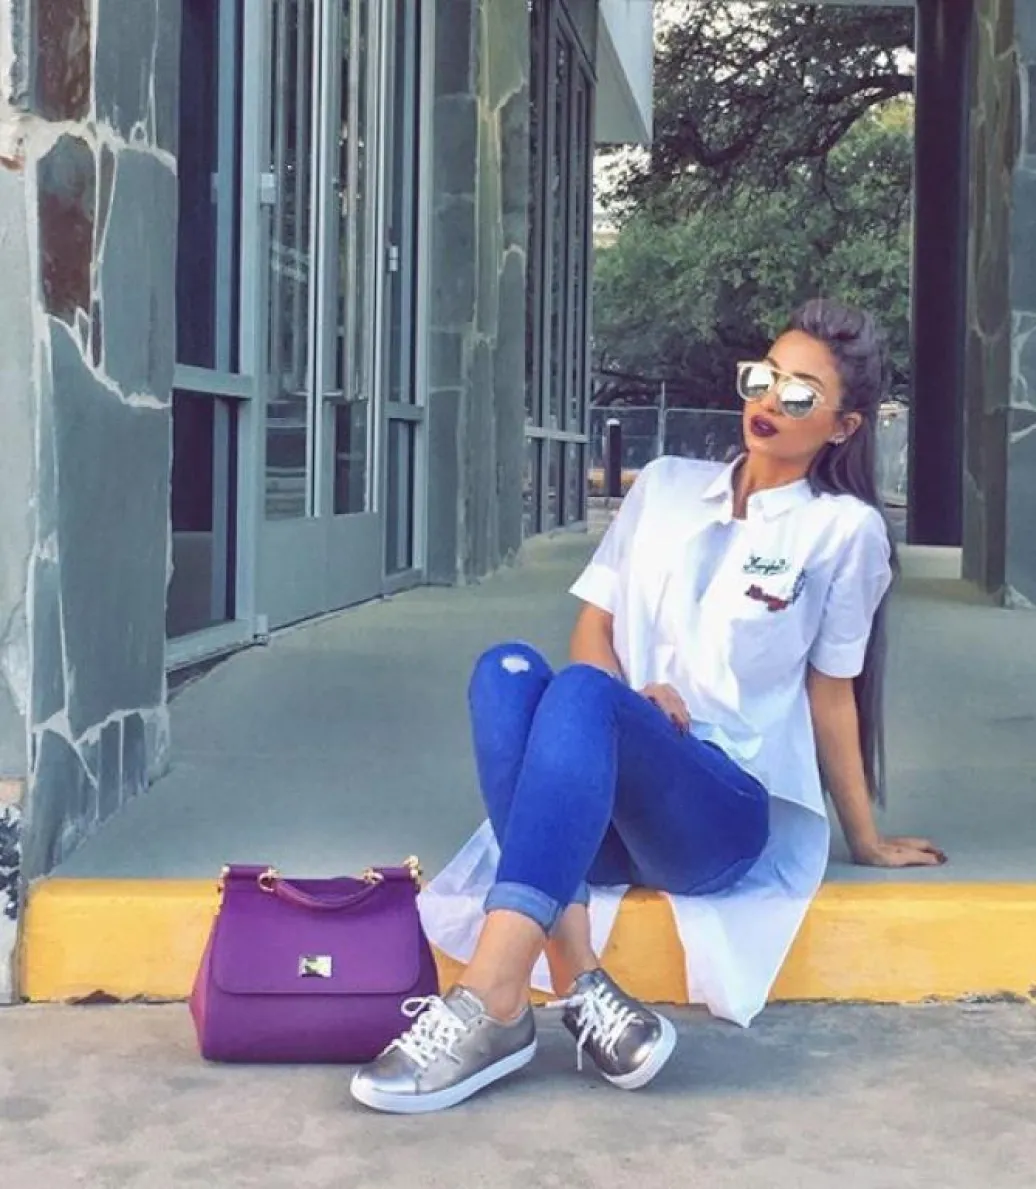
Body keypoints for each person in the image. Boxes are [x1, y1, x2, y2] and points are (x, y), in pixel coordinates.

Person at [351, 298, 946, 1116]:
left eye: (799, 394)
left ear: (843, 427)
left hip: (716, 813)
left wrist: (865, 837)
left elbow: (832, 690)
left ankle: (488, 996)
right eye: (764, 377)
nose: (769, 401)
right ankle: (577, 982)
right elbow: (593, 625)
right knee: (506, 671)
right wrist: (631, 701)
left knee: (582, 690)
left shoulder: (843, 532)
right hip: (608, 814)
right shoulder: (664, 486)